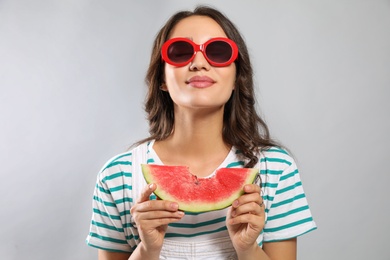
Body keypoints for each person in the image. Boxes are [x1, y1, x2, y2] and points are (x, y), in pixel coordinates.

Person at [86, 5, 316, 260]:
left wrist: (248, 248)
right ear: (162, 78)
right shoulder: (116, 177)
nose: (198, 63)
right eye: (180, 52)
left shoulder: (276, 169)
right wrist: (147, 250)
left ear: (236, 78)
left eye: (218, 52)